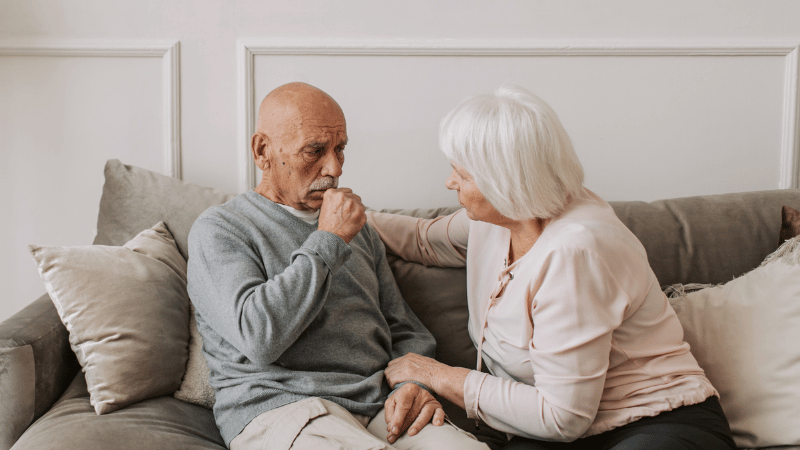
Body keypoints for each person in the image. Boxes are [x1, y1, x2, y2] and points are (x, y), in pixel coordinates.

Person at [366, 85, 737, 450]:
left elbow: (562, 417)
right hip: (550, 432)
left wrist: (437, 375)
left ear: (504, 182)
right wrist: (343, 215)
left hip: (654, 421)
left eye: (462, 176)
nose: (450, 182)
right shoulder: (499, 219)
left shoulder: (574, 252)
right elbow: (422, 240)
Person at [187, 82, 489, 450]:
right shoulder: (221, 229)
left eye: (340, 149)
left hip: (379, 406)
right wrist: (329, 239)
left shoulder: (356, 228)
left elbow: (405, 329)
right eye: (314, 151)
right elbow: (259, 338)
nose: (334, 168)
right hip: (283, 407)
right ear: (262, 150)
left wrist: (412, 383)